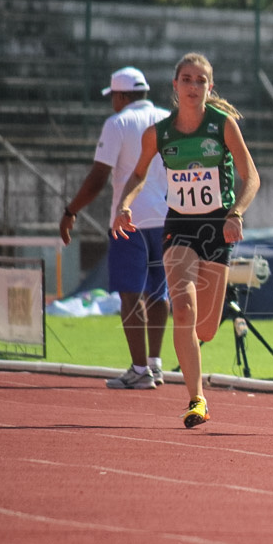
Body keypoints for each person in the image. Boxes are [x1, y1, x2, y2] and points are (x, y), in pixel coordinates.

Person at [111, 53, 261, 428]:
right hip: (179, 226)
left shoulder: (222, 125)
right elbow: (137, 175)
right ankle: (197, 399)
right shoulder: (159, 133)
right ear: (175, 86)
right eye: (187, 79)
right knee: (184, 310)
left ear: (210, 88)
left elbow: (252, 177)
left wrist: (236, 213)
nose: (193, 86)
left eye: (200, 81)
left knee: (205, 328)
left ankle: (191, 345)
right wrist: (124, 205)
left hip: (217, 227)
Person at [60, 66, 171, 390]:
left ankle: (138, 369)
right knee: (158, 291)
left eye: (114, 98)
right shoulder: (168, 119)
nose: (113, 103)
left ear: (122, 96)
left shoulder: (118, 124)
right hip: (165, 217)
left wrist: (71, 211)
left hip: (129, 219)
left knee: (130, 293)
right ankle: (155, 364)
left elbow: (97, 178)